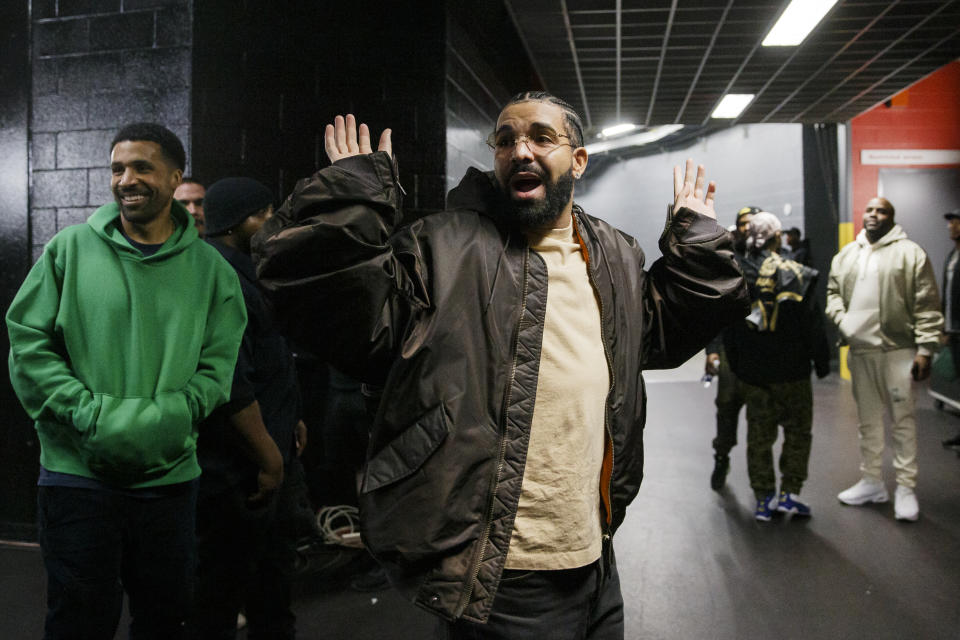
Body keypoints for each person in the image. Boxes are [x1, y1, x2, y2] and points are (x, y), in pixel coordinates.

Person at [251, 92, 749, 637]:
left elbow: (665, 328)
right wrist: (346, 200)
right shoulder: (442, 247)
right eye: (506, 139)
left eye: (540, 136)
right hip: (503, 572)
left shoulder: (613, 253)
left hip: (594, 555)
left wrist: (697, 244)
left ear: (578, 160)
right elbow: (337, 306)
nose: (520, 150)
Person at [5, 123, 247, 639]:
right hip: (76, 479)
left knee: (164, 621)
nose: (126, 179)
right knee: (77, 622)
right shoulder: (68, 249)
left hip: (169, 483)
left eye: (142, 167)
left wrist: (174, 415)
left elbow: (218, 366)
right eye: (117, 168)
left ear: (175, 175)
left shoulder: (212, 271)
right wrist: (86, 414)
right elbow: (28, 343)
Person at [191, 177, 310, 639]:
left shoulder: (243, 268)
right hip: (240, 470)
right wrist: (269, 457)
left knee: (269, 587)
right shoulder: (221, 276)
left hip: (265, 454)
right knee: (222, 595)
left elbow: (267, 359)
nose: (272, 221)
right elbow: (232, 383)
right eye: (265, 213)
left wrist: (291, 417)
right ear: (241, 221)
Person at [827, 196, 943, 522]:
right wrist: (843, 320)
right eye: (870, 210)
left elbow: (927, 305)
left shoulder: (911, 254)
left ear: (892, 217)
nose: (874, 215)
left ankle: (905, 487)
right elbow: (833, 293)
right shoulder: (847, 255)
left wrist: (925, 349)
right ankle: (872, 481)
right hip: (862, 353)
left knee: (902, 421)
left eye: (882, 211)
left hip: (898, 351)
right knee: (867, 421)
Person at [723, 212, 830, 520]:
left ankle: (762, 499)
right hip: (793, 373)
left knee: (759, 435)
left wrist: (738, 363)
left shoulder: (736, 274)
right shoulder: (799, 274)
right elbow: (814, 325)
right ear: (777, 237)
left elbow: (728, 328)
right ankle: (789, 494)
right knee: (797, 432)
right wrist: (821, 363)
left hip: (754, 374)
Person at [706, 205, 760, 491]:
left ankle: (759, 481)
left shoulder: (771, 260)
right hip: (730, 347)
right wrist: (711, 350)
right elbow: (715, 311)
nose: (749, 227)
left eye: (754, 222)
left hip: (760, 353)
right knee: (726, 409)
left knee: (760, 419)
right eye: (744, 223)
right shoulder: (727, 260)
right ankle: (721, 457)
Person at [940, 208, 960, 450]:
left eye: (956, 223)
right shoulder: (951, 256)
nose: (951, 226)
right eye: (951, 223)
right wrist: (944, 328)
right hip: (953, 331)